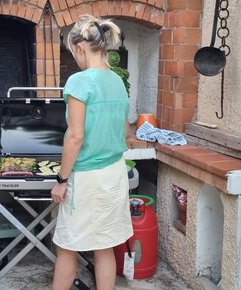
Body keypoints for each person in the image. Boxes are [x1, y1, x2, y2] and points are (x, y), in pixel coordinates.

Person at [51, 14, 133, 290]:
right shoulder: (118, 82)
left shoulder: (79, 81)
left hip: (86, 178)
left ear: (79, 47)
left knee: (67, 247)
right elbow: (125, 133)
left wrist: (61, 180)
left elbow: (75, 136)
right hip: (114, 174)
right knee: (104, 246)